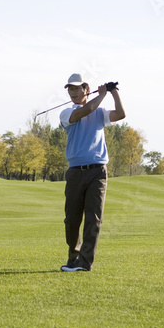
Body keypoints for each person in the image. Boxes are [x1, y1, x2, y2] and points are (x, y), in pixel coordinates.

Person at [59, 73, 125, 272]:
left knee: (93, 219)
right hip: (75, 172)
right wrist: (102, 94)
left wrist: (114, 93)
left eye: (77, 88)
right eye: (70, 89)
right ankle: (74, 254)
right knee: (72, 219)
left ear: (86, 89)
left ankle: (85, 263)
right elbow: (86, 110)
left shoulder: (100, 112)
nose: (73, 92)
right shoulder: (67, 113)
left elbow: (121, 114)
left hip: (97, 171)